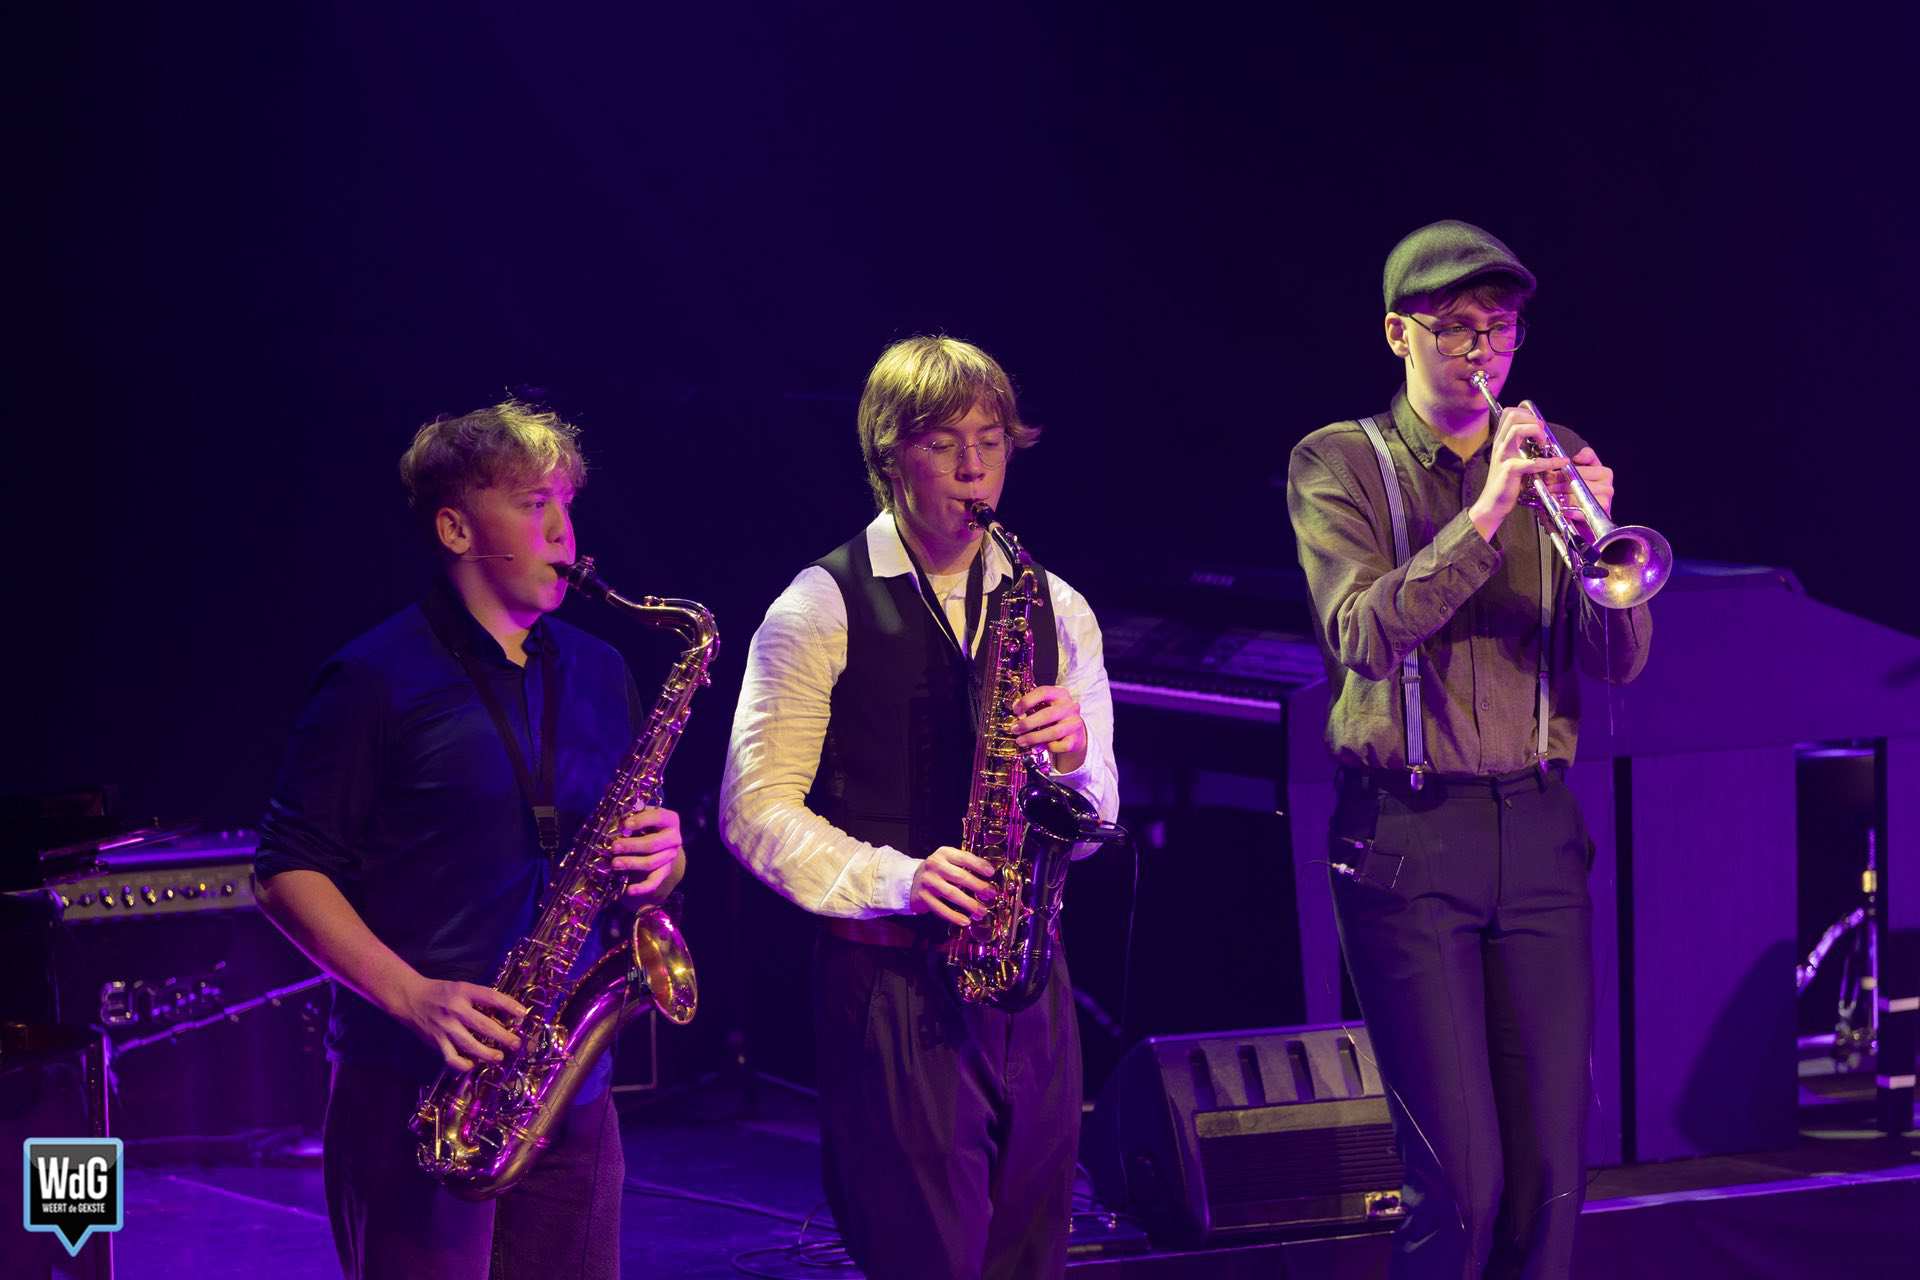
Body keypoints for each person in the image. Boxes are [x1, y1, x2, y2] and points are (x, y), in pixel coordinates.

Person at [1285, 221, 1653, 1278]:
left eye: (1500, 328)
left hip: (1537, 834)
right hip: (1408, 840)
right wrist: (1489, 512)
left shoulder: (1550, 455)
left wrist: (1599, 541)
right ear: (1397, 332)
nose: (1482, 351)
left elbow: (1619, 662)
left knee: (1552, 1178)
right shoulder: (1337, 461)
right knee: (1461, 1184)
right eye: (1455, 328)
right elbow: (1361, 633)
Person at [252, 401, 687, 1280]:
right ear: (455, 528)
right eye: (532, 504)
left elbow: (628, 853)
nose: (563, 531)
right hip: (421, 1090)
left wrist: (663, 861)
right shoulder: (373, 677)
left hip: (569, 1087)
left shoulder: (601, 670)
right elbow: (284, 871)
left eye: (566, 503)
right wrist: (412, 996)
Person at [720, 336, 1120, 1280]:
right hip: (893, 981)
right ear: (889, 456)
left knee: (1032, 1257)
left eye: (992, 441)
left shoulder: (1056, 605)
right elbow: (753, 808)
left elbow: (1098, 818)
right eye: (944, 444)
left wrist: (1073, 759)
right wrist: (900, 880)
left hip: (1029, 974)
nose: (976, 468)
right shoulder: (818, 605)